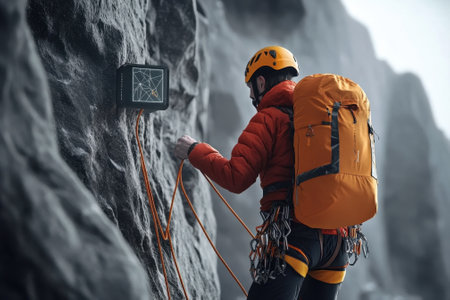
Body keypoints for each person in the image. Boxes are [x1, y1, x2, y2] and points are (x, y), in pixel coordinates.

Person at [175, 46, 349, 300]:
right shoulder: (321, 116)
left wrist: (195, 150)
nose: (251, 95)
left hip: (294, 236)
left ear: (261, 80)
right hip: (337, 242)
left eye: (251, 87)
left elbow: (236, 177)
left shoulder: (268, 118)